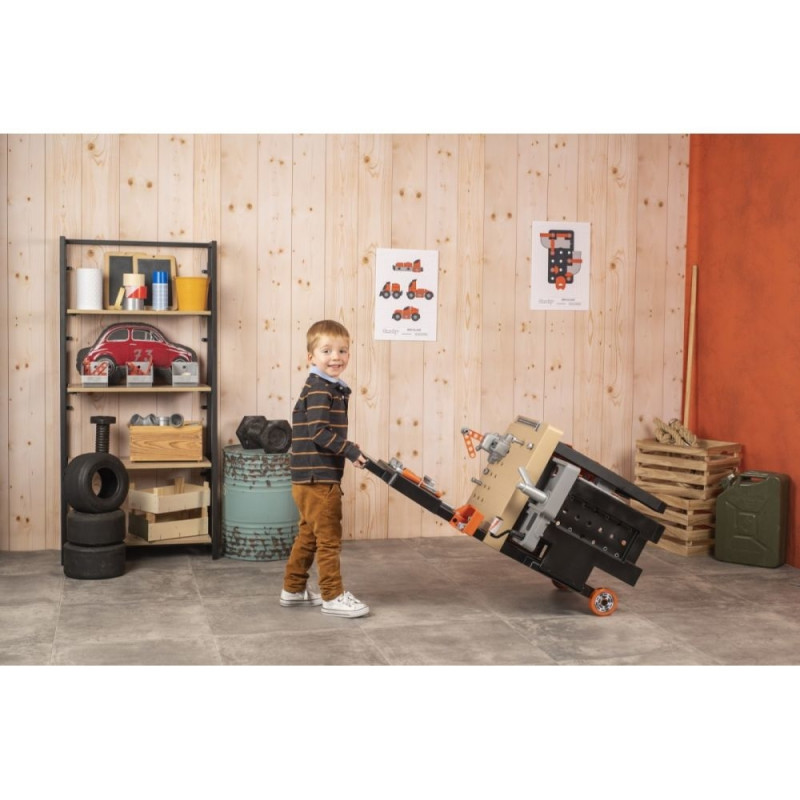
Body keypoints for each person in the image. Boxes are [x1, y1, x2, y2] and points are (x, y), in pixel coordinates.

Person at [280, 319, 370, 618]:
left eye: (342, 351)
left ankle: (293, 589)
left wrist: (346, 446)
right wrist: (349, 449)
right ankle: (332, 596)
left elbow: (319, 431)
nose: (336, 357)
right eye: (327, 350)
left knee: (308, 536)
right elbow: (318, 432)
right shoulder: (321, 389)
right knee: (328, 539)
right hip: (318, 478)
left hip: (307, 477)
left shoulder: (324, 387)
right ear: (311, 356)